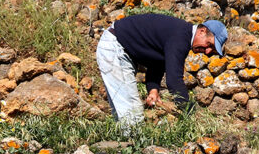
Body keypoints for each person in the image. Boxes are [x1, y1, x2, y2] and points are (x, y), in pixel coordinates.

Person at [96, 13, 228, 128]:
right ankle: (132, 153)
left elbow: (157, 62)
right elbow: (174, 81)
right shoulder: (181, 37)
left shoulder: (181, 34)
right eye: (209, 44)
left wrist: (153, 89)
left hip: (117, 47)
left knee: (125, 115)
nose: (208, 51)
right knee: (133, 114)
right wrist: (191, 114)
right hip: (115, 47)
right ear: (202, 31)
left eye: (212, 51)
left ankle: (121, 150)